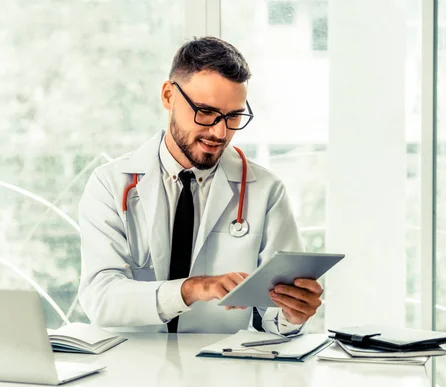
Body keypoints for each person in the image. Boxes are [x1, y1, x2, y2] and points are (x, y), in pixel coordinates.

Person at [78, 36, 323, 334]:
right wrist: (190, 289)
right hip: (131, 365)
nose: (220, 132)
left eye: (234, 116)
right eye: (205, 112)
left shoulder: (265, 191)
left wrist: (292, 314)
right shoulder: (110, 185)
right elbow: (100, 298)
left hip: (218, 368)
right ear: (168, 96)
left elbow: (271, 316)